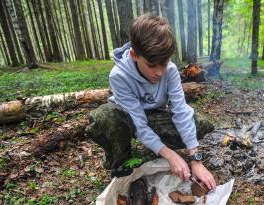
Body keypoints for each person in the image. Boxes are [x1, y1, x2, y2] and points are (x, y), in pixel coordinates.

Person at [86, 14, 216, 190]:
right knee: (105, 117)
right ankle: (121, 161)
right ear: (134, 55)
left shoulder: (169, 71)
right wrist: (169, 155)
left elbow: (181, 111)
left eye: (164, 64)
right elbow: (138, 123)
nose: (159, 72)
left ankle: (158, 146)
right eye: (152, 65)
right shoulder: (119, 76)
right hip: (127, 119)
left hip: (154, 116)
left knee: (198, 123)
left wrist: (195, 158)